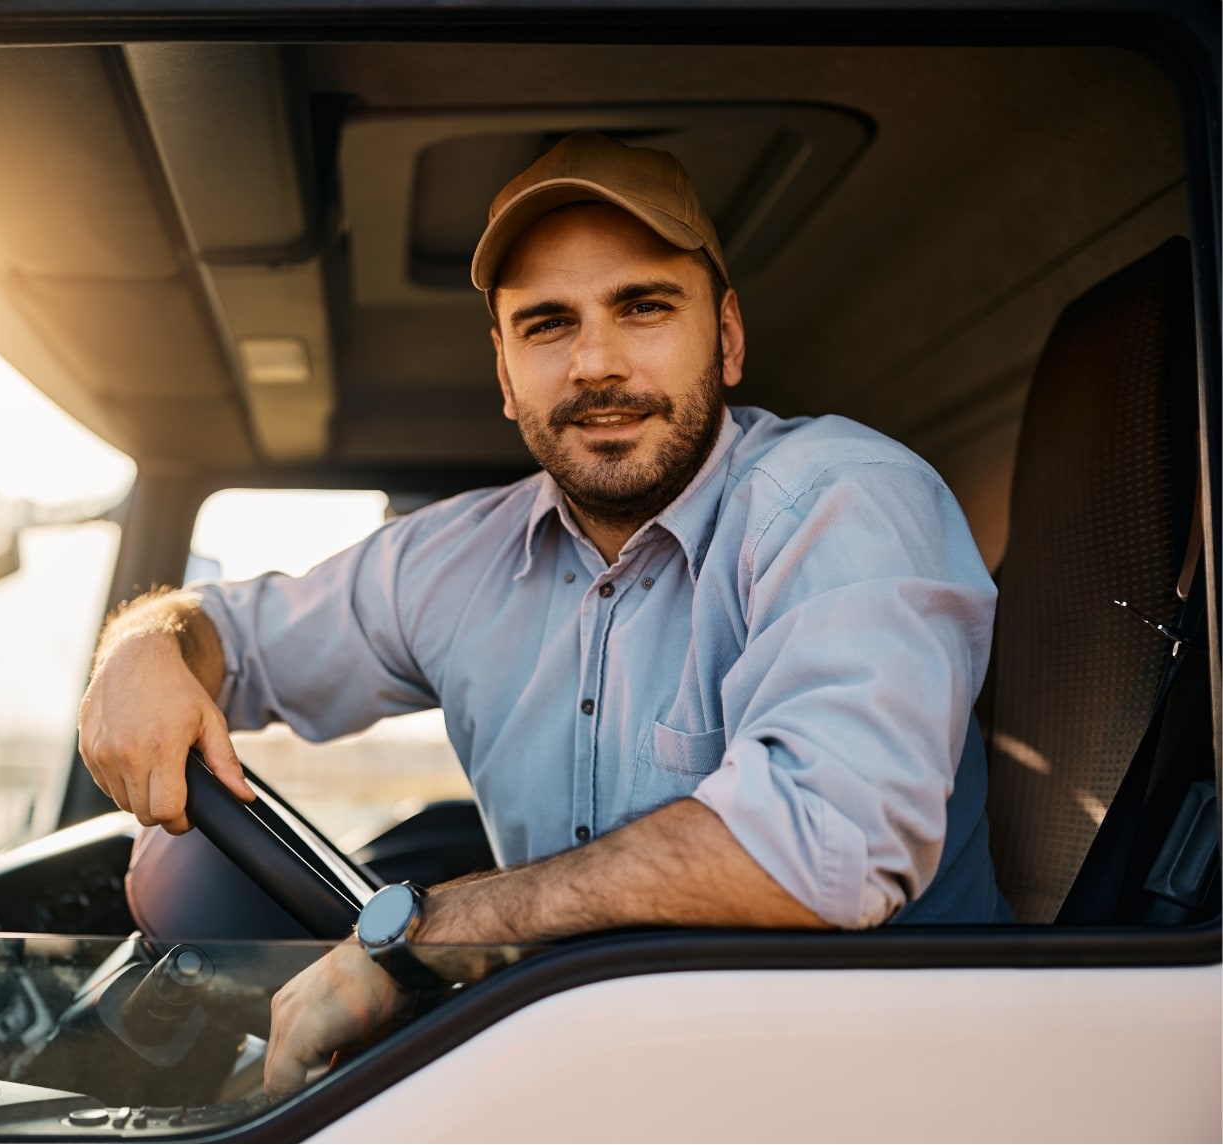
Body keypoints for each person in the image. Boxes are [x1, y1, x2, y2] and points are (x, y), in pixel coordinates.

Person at [77, 131, 1011, 1095]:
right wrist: (144, 647)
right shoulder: (453, 559)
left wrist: (429, 936)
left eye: (643, 307)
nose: (596, 364)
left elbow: (818, 845)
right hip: (583, 1081)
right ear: (503, 370)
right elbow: (228, 636)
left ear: (726, 337)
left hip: (873, 1091)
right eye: (547, 324)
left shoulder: (844, 500)